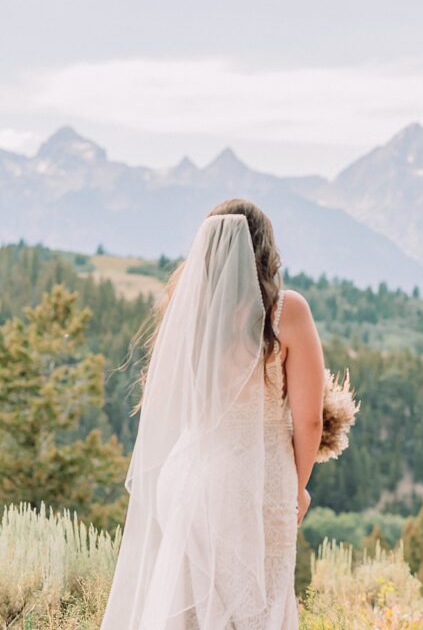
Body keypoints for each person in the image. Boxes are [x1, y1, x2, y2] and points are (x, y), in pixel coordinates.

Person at [102, 199, 325, 629]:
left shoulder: (189, 311)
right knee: (259, 605)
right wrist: (298, 487)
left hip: (189, 475)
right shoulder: (286, 311)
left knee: (189, 605)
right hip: (257, 483)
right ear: (265, 248)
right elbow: (310, 420)